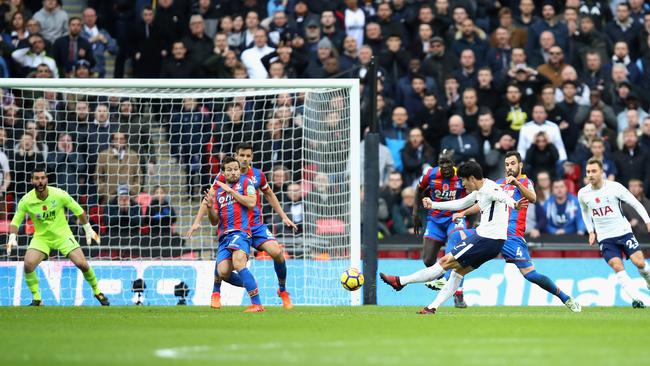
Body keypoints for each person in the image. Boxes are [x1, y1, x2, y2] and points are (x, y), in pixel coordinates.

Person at [380, 161, 528, 314]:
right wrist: (434, 204)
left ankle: (400, 281)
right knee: (458, 273)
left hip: (486, 239)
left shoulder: (489, 189)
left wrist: (514, 204)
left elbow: (502, 196)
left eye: (463, 180)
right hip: (493, 242)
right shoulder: (482, 188)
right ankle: (432, 307)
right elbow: (461, 203)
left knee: (444, 262)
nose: (462, 184)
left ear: (471, 178)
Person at [448, 152, 580, 311]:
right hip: (492, 232)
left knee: (530, 274)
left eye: (512, 163)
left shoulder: (525, 182)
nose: (509, 167)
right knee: (457, 236)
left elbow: (533, 198)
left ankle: (565, 298)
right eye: (507, 164)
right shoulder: (498, 183)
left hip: (512, 236)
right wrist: (463, 213)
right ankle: (455, 288)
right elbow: (482, 203)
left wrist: (517, 183)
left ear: (520, 165)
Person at [187, 143, 298, 309]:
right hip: (232, 225)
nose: (245, 159)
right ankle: (218, 292)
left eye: (248, 156)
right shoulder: (223, 177)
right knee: (224, 264)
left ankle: (282, 291)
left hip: (256, 225)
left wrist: (283, 216)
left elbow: (269, 194)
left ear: (251, 157)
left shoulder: (257, 176)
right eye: (242, 156)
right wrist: (197, 221)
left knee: (277, 253)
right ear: (236, 156)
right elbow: (209, 198)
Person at [5, 166, 108, 306]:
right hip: (42, 238)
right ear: (31, 181)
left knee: (82, 264)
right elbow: (16, 221)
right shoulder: (26, 200)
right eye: (37, 178)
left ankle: (97, 292)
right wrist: (12, 236)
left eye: (42, 178)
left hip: (63, 236)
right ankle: (37, 299)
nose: (40, 181)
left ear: (47, 179)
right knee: (28, 265)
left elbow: (78, 210)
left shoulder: (59, 194)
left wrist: (88, 229)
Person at [578, 158, 650, 308]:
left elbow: (635, 203)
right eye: (588, 172)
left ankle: (648, 281)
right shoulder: (583, 193)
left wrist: (647, 221)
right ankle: (636, 299)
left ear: (602, 172)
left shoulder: (615, 187)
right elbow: (585, 212)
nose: (590, 174)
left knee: (640, 263)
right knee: (617, 266)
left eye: (594, 171)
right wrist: (591, 231)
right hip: (605, 238)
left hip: (624, 233)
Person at [203, 156, 265, 313]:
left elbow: (251, 202)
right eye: (229, 170)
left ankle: (257, 304)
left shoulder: (246, 183)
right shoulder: (217, 191)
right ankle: (250, 283)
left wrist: (231, 191)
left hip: (242, 232)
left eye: (236, 169)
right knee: (223, 271)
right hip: (224, 236)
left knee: (238, 263)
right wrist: (210, 208)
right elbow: (214, 221)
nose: (233, 173)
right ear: (223, 172)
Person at [414, 151, 466, 271]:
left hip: (455, 218)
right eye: (441, 162)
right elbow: (419, 188)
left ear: (454, 163)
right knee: (428, 260)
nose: (444, 166)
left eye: (448, 162)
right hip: (435, 219)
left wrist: (474, 217)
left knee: (453, 252)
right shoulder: (430, 174)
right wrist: (415, 213)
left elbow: (474, 195)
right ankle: (441, 278)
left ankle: (453, 283)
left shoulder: (461, 175)